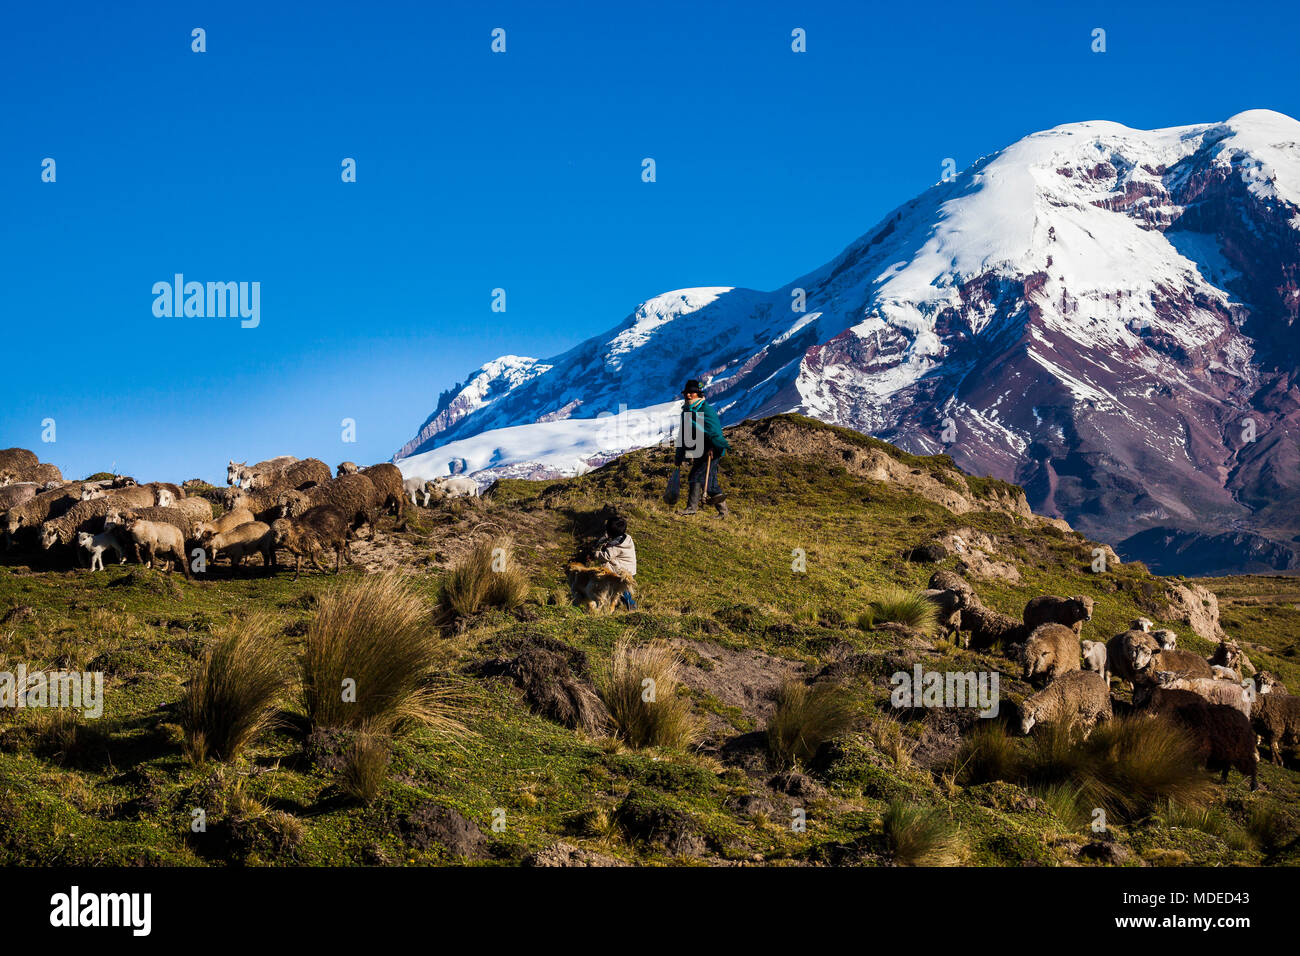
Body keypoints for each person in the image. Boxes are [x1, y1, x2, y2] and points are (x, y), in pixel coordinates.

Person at [672, 379, 730, 517]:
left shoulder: (706, 410)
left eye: (692, 393)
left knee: (697, 476)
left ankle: (691, 508)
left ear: (698, 394)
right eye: (687, 393)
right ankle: (723, 512)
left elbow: (714, 432)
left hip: (711, 451)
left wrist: (713, 447)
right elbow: (683, 435)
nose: (688, 395)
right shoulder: (687, 411)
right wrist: (679, 456)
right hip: (699, 450)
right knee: (710, 482)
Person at [592, 514, 637, 609]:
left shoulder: (616, 546)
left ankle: (631, 605)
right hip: (628, 569)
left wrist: (595, 554)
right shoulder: (626, 538)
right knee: (623, 590)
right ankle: (624, 604)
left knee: (622, 590)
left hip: (622, 571)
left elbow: (606, 556)